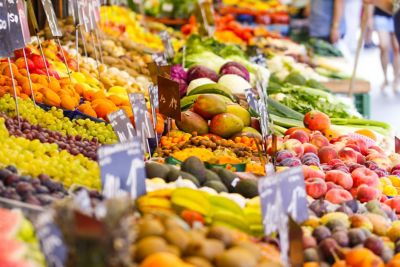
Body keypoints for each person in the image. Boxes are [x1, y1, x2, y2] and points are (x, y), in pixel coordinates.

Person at [369, 7, 400, 92]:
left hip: (396, 14)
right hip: (381, 15)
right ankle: (385, 78)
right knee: (383, 46)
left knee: (397, 49)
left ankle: (396, 78)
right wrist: (369, 17)